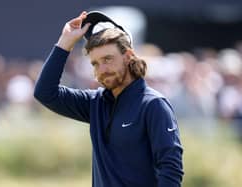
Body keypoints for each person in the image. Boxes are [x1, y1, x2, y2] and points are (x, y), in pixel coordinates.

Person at [34, 11, 184, 187]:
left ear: (128, 57)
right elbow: (45, 92)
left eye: (108, 59)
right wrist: (65, 43)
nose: (102, 69)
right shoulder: (95, 103)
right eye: (95, 63)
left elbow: (171, 170)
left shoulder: (153, 105)